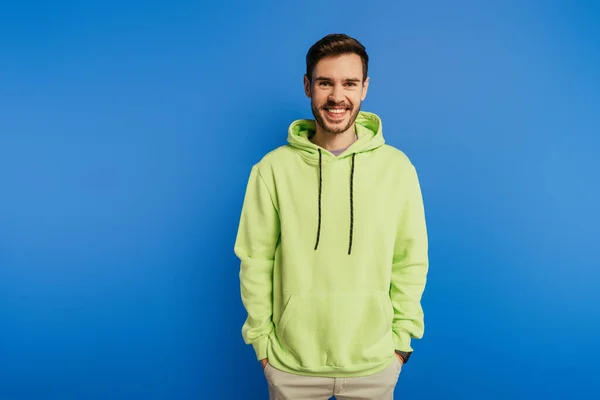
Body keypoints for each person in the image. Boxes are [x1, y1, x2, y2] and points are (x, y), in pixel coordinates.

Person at [234, 33, 429, 400]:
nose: (337, 96)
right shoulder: (272, 170)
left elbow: (410, 260)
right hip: (290, 366)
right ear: (308, 86)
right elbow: (255, 259)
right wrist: (262, 345)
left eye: (350, 83)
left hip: (374, 365)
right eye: (326, 83)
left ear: (365, 88)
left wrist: (400, 345)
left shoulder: (397, 169)